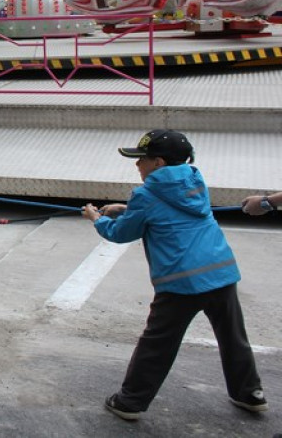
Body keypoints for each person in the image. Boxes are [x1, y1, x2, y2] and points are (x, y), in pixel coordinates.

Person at [80, 129, 265, 421]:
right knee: (233, 337)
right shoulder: (195, 179)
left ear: (159, 163)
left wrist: (97, 218)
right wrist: (127, 209)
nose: (137, 165)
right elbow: (170, 210)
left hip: (181, 281)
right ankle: (250, 394)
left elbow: (121, 233)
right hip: (220, 272)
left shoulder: (146, 194)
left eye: (143, 159)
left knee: (158, 343)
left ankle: (129, 402)